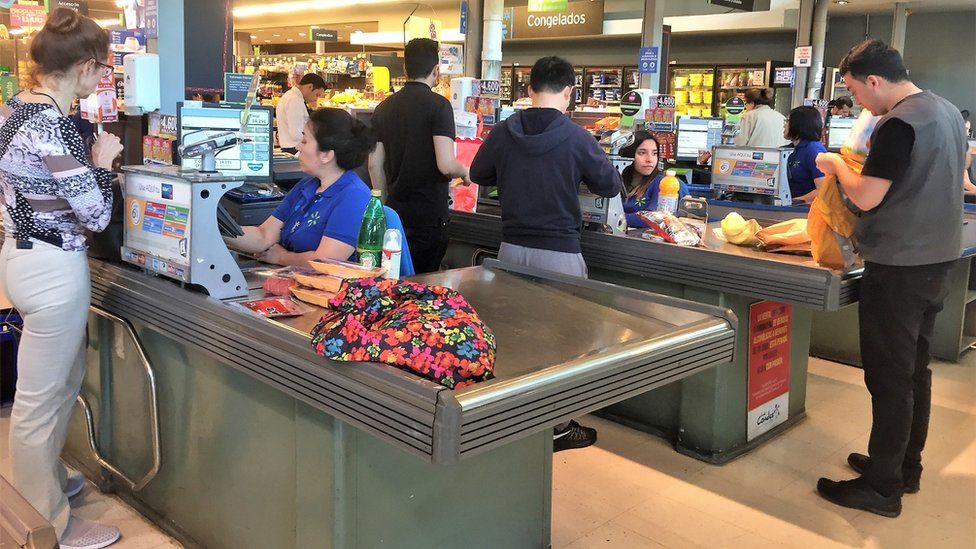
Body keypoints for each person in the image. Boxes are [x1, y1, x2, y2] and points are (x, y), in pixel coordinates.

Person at [814, 39, 966, 518]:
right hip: (936, 262)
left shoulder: (898, 123)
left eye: (856, 91)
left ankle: (882, 489)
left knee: (889, 377)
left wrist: (837, 164)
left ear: (874, 80)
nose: (857, 101)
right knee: (914, 371)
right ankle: (903, 468)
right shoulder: (944, 111)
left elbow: (869, 196)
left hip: (899, 268)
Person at [0, 9, 124, 549]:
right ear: (84, 67)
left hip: (22, 257)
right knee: (41, 400)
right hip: (54, 268)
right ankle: (48, 522)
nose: (103, 81)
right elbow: (95, 215)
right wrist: (105, 161)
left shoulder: (13, 111)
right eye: (103, 70)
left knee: (52, 388)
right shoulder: (55, 126)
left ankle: (46, 480)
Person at [469, 56, 623, 452]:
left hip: (510, 249)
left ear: (529, 89)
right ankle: (557, 427)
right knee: (565, 342)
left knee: (514, 336)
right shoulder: (576, 137)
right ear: (569, 91)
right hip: (558, 253)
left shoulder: (504, 131)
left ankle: (514, 419)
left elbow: (478, 174)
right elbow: (608, 185)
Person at [368, 38, 471, 274]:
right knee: (425, 285)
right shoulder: (439, 106)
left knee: (394, 280)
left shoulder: (384, 108)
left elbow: (374, 164)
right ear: (436, 70)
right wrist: (464, 171)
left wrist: (384, 205)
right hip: (429, 217)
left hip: (396, 216)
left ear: (405, 69)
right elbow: (446, 165)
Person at [226, 108, 375, 266]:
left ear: (326, 155)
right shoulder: (307, 185)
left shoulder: (353, 197)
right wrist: (212, 230)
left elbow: (325, 261)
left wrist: (282, 257)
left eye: (304, 141)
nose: (298, 146)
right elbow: (263, 236)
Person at [618, 132, 689, 227]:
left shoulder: (662, 183)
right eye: (642, 153)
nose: (650, 159)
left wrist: (614, 218)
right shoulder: (618, 180)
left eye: (654, 153)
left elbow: (654, 219)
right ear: (628, 155)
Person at [784, 106, 828, 204]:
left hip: (805, 211)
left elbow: (823, 190)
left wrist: (794, 201)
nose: (784, 125)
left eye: (787, 121)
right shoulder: (791, 149)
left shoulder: (814, 150)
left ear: (798, 124)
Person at [276, 73, 327, 154]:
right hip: (295, 149)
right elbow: (297, 133)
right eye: (317, 95)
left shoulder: (291, 96)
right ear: (310, 87)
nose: (315, 99)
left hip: (292, 148)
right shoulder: (295, 100)